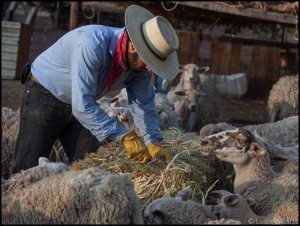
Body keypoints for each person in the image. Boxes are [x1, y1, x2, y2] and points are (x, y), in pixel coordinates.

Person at [12, 4, 180, 173]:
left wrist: (153, 142)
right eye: (149, 61)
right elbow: (82, 104)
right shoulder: (92, 45)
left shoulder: (139, 67)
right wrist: (124, 136)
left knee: (89, 165)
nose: (150, 69)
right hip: (44, 96)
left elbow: (144, 105)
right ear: (134, 47)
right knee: (28, 167)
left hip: (81, 105)